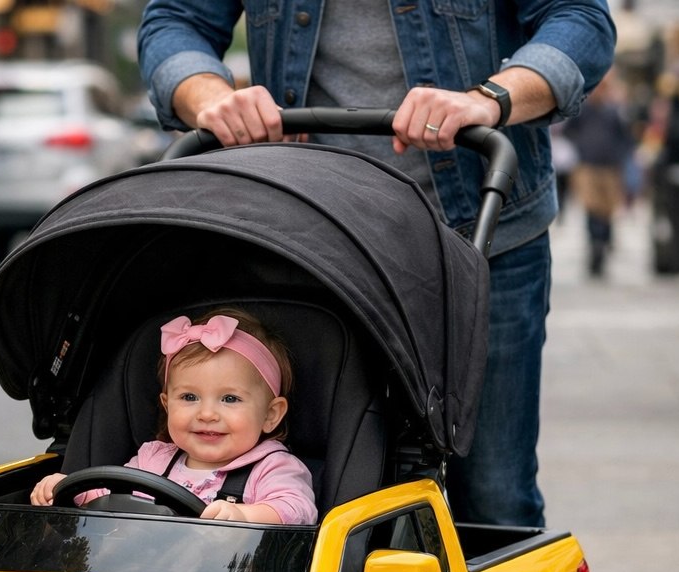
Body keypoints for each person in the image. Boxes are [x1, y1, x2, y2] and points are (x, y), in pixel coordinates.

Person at [137, 0, 616, 528]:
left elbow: (581, 20)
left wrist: (491, 98)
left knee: (494, 492)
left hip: (481, 233)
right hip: (310, 240)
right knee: (338, 469)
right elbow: (176, 19)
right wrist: (213, 98)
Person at [31, 308, 317, 525]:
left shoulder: (272, 467)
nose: (206, 414)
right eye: (189, 397)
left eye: (230, 399)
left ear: (270, 414)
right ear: (167, 405)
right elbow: (112, 498)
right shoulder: (152, 459)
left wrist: (245, 515)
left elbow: (297, 509)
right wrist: (70, 488)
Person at [563, 73, 635, 278]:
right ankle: (595, 246)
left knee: (607, 209)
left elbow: (625, 138)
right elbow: (569, 132)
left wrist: (620, 155)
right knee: (592, 208)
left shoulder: (613, 112)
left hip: (610, 167)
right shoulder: (583, 111)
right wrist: (582, 147)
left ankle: (603, 243)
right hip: (589, 166)